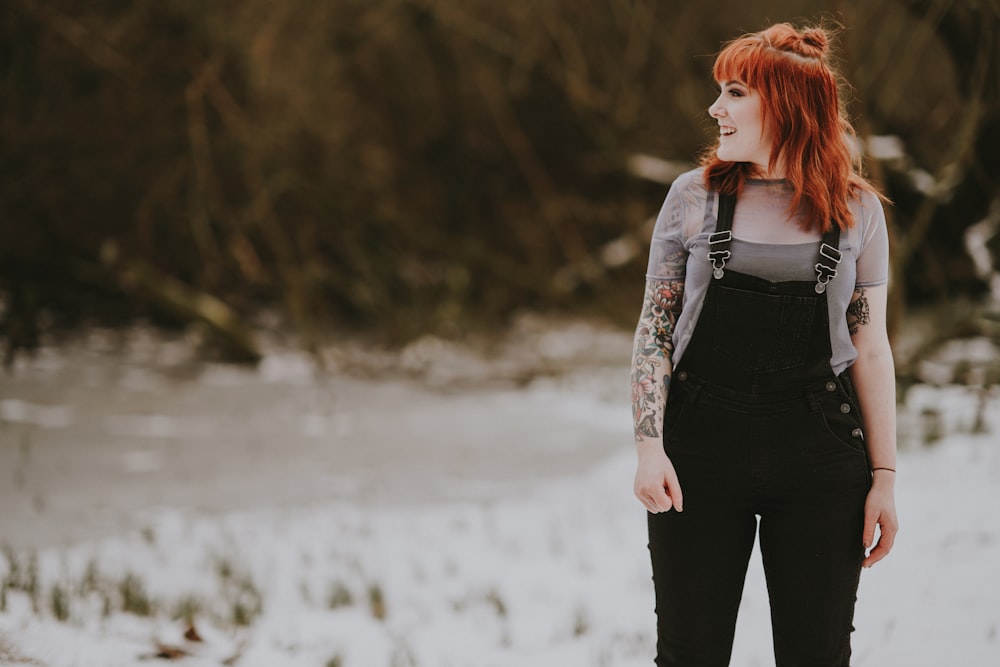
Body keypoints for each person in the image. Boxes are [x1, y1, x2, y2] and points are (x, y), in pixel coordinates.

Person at [630, 23, 899, 667]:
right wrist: (648, 444)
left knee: (818, 656)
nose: (715, 108)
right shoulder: (691, 200)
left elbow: (871, 347)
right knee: (688, 655)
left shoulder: (858, 212)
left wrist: (884, 477)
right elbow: (655, 331)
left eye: (735, 92)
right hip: (700, 450)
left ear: (785, 104)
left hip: (820, 453)